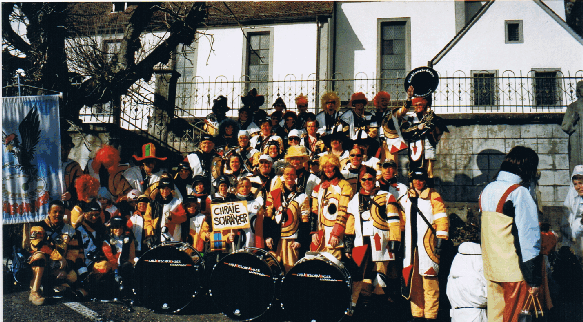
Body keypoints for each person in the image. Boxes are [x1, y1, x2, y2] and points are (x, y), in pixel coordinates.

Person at [480, 146, 541, 322]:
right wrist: (534, 279)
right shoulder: (518, 192)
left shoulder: (487, 189)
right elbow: (529, 238)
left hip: (491, 270)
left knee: (495, 318)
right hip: (515, 273)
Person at [344, 167, 401, 309]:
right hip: (360, 243)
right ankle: (361, 305)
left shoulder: (387, 196)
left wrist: (395, 241)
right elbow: (350, 224)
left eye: (370, 179)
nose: (367, 182)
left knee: (380, 274)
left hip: (381, 243)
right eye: (364, 179)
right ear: (360, 181)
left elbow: (394, 220)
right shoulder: (355, 199)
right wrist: (348, 245)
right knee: (359, 276)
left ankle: (379, 306)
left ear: (375, 179)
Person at [402, 169, 449, 322]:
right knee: (413, 281)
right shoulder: (407, 197)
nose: (418, 182)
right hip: (411, 247)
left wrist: (441, 238)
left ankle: (431, 315)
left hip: (428, 245)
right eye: (415, 179)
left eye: (421, 179)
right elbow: (402, 219)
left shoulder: (433, 196)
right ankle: (417, 314)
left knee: (430, 281)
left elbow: (441, 218)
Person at [27, 200, 82, 305]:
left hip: (58, 267)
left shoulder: (70, 230)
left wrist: (66, 269)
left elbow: (73, 252)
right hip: (42, 265)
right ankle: (34, 292)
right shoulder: (39, 226)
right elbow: (37, 245)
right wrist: (58, 256)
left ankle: (53, 286)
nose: (58, 214)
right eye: (55, 212)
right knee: (39, 256)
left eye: (60, 212)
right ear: (49, 213)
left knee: (73, 276)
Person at [264, 165, 310, 272]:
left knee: (291, 270)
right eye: (287, 174)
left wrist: (300, 240)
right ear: (283, 176)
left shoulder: (302, 196)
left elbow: (305, 221)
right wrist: (267, 236)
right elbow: (267, 217)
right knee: (273, 269)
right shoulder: (273, 194)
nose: (290, 177)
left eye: (292, 174)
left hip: (292, 240)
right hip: (275, 239)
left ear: (296, 176)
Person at [310, 154, 354, 260]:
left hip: (335, 233)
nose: (327, 170)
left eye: (330, 166)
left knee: (334, 263)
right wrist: (314, 232)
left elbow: (344, 211)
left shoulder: (345, 186)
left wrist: (336, 233)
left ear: (336, 167)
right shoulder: (319, 187)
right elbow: (314, 211)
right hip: (320, 234)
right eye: (325, 167)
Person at [401, 90, 448, 180]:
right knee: (413, 172)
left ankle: (429, 191)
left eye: (420, 104)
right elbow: (404, 132)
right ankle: (413, 191)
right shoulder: (410, 117)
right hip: (415, 148)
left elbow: (440, 130)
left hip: (428, 147)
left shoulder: (432, 116)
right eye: (416, 105)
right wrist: (417, 128)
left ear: (424, 104)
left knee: (429, 173)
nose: (418, 107)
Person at [446, 222, 487, 322]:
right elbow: (480, 297)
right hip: (476, 316)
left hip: (457, 315)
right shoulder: (479, 260)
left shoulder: (458, 260)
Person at [143, 177, 187, 246]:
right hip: (156, 239)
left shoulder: (177, 202)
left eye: (167, 188)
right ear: (159, 189)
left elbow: (184, 217)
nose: (165, 191)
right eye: (163, 188)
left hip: (172, 239)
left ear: (171, 189)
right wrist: (149, 235)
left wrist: (172, 216)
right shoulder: (152, 204)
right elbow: (147, 220)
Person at [233, 177, 265, 250]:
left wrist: (259, 245)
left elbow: (259, 227)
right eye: (242, 186)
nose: (244, 189)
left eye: (247, 186)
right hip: (235, 241)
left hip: (251, 241)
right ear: (238, 188)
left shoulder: (257, 204)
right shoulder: (232, 203)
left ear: (250, 187)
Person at [379, 89, 409, 167]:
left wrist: (408, 100)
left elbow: (401, 112)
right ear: (377, 102)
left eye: (386, 101)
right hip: (376, 145)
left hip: (389, 143)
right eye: (382, 100)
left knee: (391, 166)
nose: (384, 102)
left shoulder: (391, 113)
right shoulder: (372, 114)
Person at [561, 81, 583, 172]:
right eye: (582, 87)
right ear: (578, 91)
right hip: (576, 142)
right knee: (576, 167)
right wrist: (573, 120)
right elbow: (565, 127)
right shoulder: (572, 107)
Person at [564, 164, 583, 264]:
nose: (578, 187)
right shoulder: (572, 200)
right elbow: (567, 224)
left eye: (581, 183)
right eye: (576, 184)